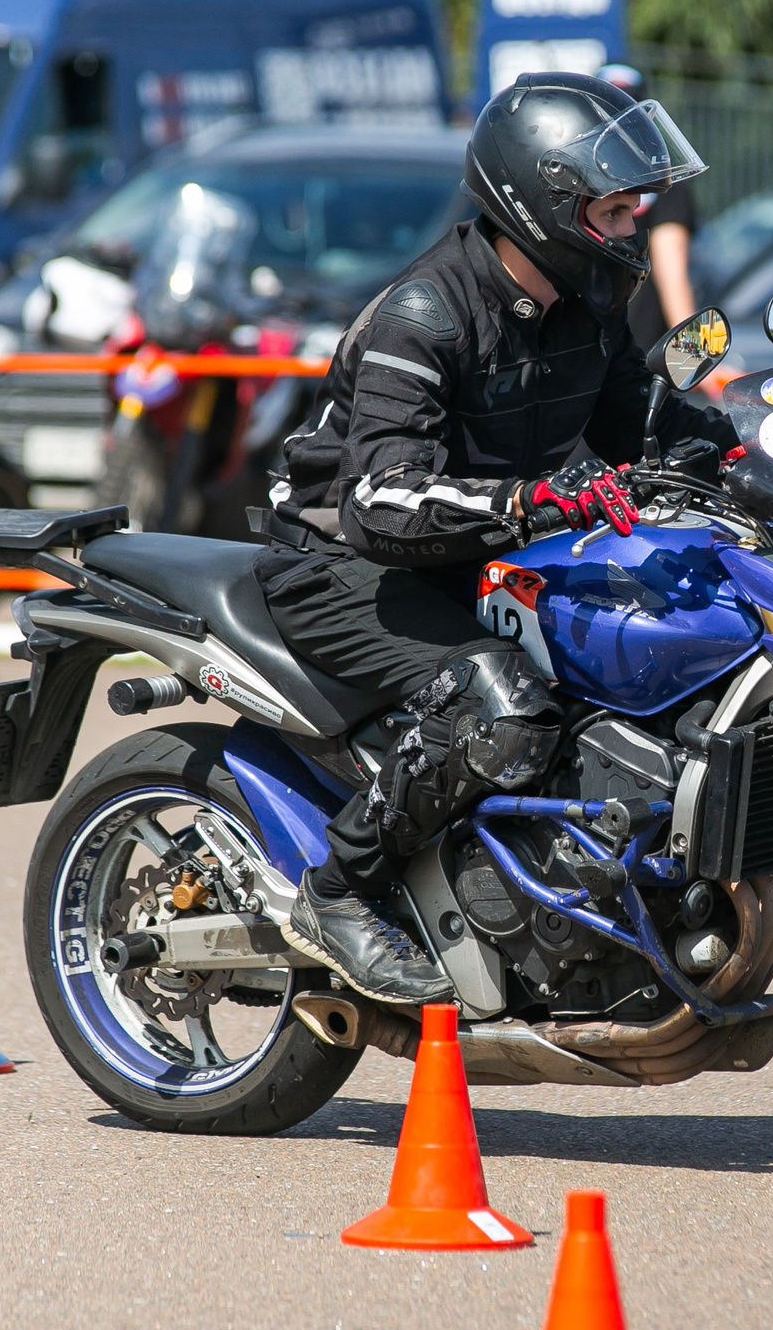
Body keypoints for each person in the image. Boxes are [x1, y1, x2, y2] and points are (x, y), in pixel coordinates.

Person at [267, 72, 735, 1002]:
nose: (631, 227)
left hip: (475, 545)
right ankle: (338, 889)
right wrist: (531, 500)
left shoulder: (585, 304)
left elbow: (639, 419)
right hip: (341, 561)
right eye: (612, 209)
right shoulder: (424, 315)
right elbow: (378, 500)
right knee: (503, 703)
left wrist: (749, 451)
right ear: (545, 205)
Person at [599, 64, 700, 355]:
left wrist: (696, 355)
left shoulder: (664, 187)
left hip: (632, 355)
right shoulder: (662, 185)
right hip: (622, 360)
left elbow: (673, 275)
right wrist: (698, 358)